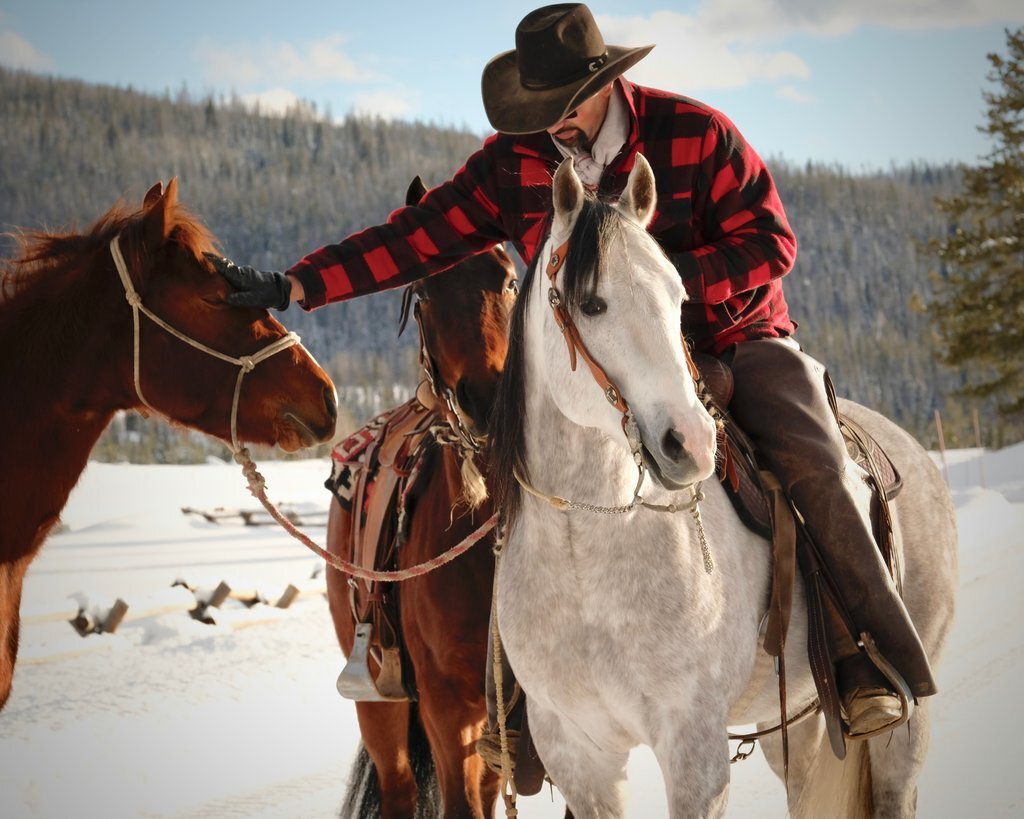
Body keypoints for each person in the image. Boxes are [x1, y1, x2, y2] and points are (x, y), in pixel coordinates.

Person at [212, 3, 935, 742]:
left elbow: (771, 243)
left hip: (731, 336)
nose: (548, 122)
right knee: (513, 485)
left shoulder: (696, 134)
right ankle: (519, 706)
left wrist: (655, 279)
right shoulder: (515, 162)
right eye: (534, 107)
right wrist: (296, 285)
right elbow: (416, 239)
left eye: (560, 105)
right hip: (590, 369)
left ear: (603, 84)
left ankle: (864, 655)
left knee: (811, 459)